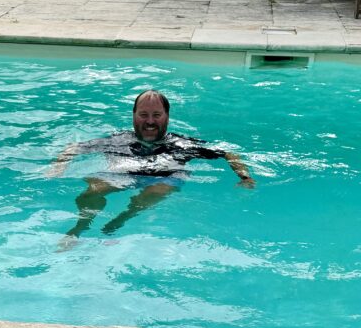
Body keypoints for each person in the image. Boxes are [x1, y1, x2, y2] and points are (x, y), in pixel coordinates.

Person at [47, 89, 254, 246]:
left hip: (165, 177)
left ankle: (124, 217)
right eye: (144, 115)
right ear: (134, 115)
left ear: (167, 116)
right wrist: (57, 168)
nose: (150, 121)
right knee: (92, 190)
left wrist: (244, 177)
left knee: (158, 189)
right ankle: (80, 227)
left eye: (156, 115)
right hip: (123, 174)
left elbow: (227, 153)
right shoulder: (118, 140)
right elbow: (73, 148)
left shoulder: (181, 144)